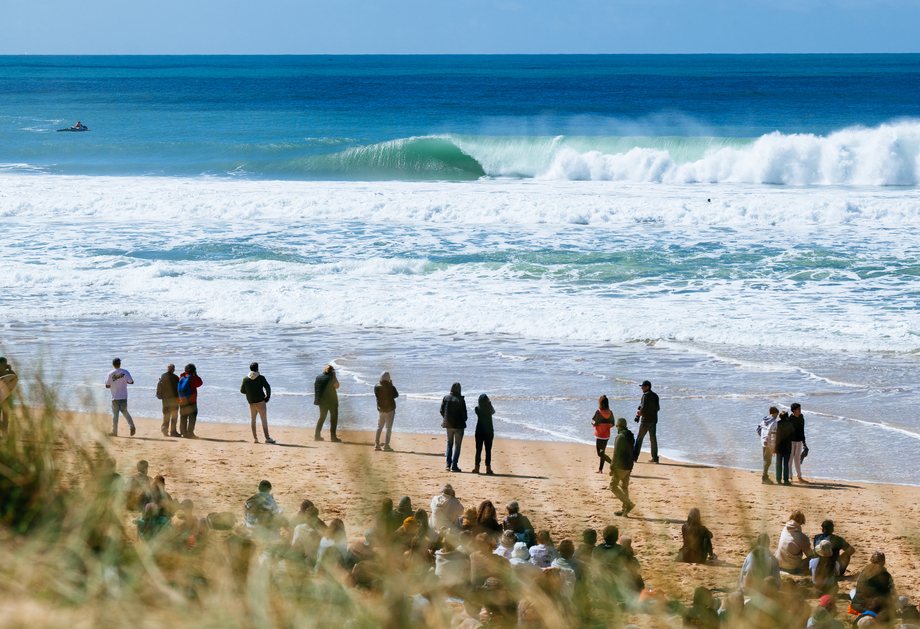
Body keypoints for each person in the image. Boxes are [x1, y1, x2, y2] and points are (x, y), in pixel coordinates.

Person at [851, 552, 897, 623]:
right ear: (884, 562)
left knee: (853, 591)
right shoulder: (886, 575)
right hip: (877, 608)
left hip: (858, 606)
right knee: (903, 600)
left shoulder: (864, 571)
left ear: (871, 560)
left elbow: (858, 585)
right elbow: (892, 593)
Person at [240, 362, 274, 443]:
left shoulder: (245, 379)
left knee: (253, 420)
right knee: (264, 420)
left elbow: (242, 391)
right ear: (257, 369)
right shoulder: (261, 378)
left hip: (251, 402)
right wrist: (268, 397)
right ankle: (267, 438)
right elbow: (268, 387)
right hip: (261, 401)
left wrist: (250, 393)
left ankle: (255, 438)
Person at [609, 416, 636, 516]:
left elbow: (616, 454)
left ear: (618, 426)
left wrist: (612, 468)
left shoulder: (620, 437)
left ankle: (628, 503)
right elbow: (633, 451)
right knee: (624, 487)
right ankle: (624, 510)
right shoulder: (630, 436)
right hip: (629, 465)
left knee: (612, 486)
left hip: (621, 466)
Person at [439, 382, 467, 472]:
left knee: (449, 444)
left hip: (448, 425)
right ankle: (454, 465)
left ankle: (448, 465)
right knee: (457, 445)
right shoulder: (461, 400)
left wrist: (446, 418)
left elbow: (441, 410)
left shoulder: (446, 398)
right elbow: (464, 415)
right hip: (459, 426)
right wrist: (463, 421)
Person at [104, 357, 135, 437]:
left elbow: (107, 385)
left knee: (115, 415)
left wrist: (114, 383)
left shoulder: (110, 373)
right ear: (120, 364)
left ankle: (114, 431)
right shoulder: (125, 372)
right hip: (124, 396)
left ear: (113, 364)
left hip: (115, 397)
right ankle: (132, 426)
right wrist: (123, 381)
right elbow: (131, 382)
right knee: (125, 412)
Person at [775, 510, 813, 574]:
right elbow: (810, 555)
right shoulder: (802, 538)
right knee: (813, 558)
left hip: (778, 565)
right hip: (791, 568)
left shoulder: (784, 529)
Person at [632, 380, 660, 463]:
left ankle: (634, 457)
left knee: (639, 439)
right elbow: (658, 408)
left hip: (645, 421)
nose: (642, 388)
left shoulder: (645, 396)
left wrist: (639, 414)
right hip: (653, 420)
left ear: (647, 386)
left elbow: (642, 408)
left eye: (643, 386)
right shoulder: (655, 396)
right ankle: (655, 458)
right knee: (653, 439)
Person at [314, 365, 341, 442]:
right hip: (331, 401)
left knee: (322, 417)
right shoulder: (331, 378)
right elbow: (337, 386)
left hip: (321, 401)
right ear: (332, 371)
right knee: (333, 419)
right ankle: (333, 437)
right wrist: (335, 376)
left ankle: (317, 435)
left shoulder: (318, 377)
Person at [373, 371, 398, 451]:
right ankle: (386, 445)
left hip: (381, 409)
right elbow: (396, 395)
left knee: (379, 427)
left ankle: (377, 445)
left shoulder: (376, 386)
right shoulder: (390, 387)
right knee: (388, 428)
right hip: (389, 410)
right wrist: (391, 385)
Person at [177, 363, 202, 439]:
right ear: (193, 370)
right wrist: (196, 375)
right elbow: (200, 383)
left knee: (183, 416)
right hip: (191, 401)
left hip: (182, 400)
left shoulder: (181, 377)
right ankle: (190, 433)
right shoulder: (192, 378)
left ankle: (183, 433)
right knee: (192, 417)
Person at [473, 393, 495, 475]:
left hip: (479, 431)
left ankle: (477, 467)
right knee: (488, 450)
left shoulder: (477, 409)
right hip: (489, 431)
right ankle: (488, 468)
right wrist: (489, 403)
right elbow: (493, 411)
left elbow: (478, 408)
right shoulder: (489, 409)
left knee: (478, 450)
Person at [592, 395, 615, 473]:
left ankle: (613, 464)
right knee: (603, 452)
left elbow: (593, 423)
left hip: (599, 435)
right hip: (606, 435)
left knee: (600, 453)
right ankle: (600, 469)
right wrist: (606, 427)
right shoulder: (610, 412)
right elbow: (613, 424)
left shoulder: (598, 412)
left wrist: (597, 425)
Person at [156, 364, 180, 437]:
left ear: (167, 369)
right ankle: (173, 432)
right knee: (174, 416)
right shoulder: (176, 377)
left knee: (166, 415)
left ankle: (165, 431)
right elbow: (179, 388)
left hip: (165, 399)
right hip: (174, 399)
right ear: (173, 369)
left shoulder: (163, 377)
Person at [757, 407, 779, 484]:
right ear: (775, 413)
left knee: (765, 460)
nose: (777, 416)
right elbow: (773, 436)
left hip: (763, 442)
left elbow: (758, 429)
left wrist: (763, 437)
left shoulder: (764, 421)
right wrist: (773, 448)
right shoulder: (774, 423)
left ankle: (765, 476)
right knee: (768, 461)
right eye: (777, 414)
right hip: (769, 444)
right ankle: (764, 477)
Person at [790, 403, 808, 483]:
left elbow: (802, 430)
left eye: (800, 409)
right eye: (798, 409)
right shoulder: (790, 419)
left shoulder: (801, 417)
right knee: (790, 459)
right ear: (794, 410)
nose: (800, 410)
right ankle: (790, 477)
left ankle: (799, 477)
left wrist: (804, 441)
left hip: (799, 441)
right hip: (791, 441)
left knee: (797, 458)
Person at [775, 410, 794, 485]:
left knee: (778, 464)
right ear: (787, 417)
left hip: (779, 446)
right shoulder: (790, 424)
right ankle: (786, 480)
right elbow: (793, 436)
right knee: (786, 464)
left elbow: (775, 435)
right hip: (787, 447)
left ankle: (778, 479)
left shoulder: (777, 424)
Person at [0, 357, 16, 433]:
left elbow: (14, 380)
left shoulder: (9, 373)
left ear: (4, 365)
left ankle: (5, 432)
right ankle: (3, 428)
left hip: (8, 398)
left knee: (6, 417)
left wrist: (9, 369)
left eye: (1, 365)